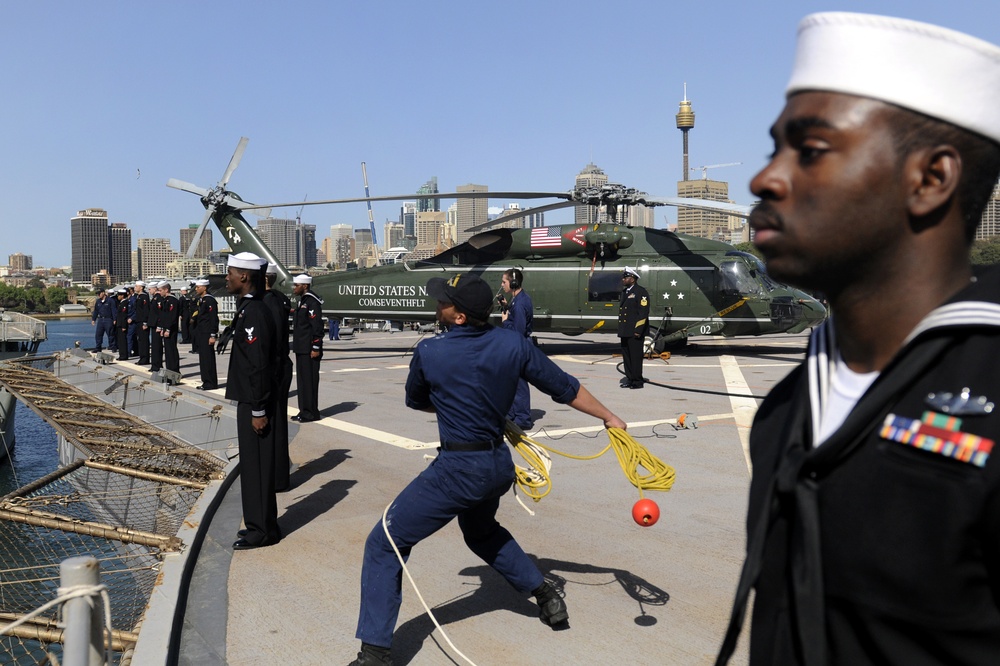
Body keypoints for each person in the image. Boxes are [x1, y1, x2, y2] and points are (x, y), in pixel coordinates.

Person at [716, 13, 1000, 666]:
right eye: (774, 149)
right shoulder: (787, 409)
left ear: (930, 179)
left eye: (811, 150)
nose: (765, 179)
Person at [350, 273, 627, 666]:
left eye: (444, 301)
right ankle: (545, 595)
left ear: (459, 316)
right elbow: (564, 387)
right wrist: (610, 416)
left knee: (384, 542)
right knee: (480, 532)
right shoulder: (514, 344)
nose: (437, 305)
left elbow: (417, 401)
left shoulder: (430, 351)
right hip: (498, 465)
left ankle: (375, 654)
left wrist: (454, 400)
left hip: (458, 469)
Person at [225, 252, 280, 550]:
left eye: (230, 273)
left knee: (257, 466)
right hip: (249, 399)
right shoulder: (249, 308)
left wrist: (258, 409)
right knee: (251, 465)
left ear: (244, 276)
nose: (227, 278)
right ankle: (258, 523)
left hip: (255, 401)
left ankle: (264, 531)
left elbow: (258, 363)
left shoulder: (255, 312)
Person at [263, 263, 293, 491]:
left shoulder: (268, 301)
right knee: (277, 423)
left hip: (273, 368)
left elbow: (271, 339)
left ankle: (276, 478)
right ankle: (276, 477)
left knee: (274, 425)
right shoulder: (279, 299)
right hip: (279, 366)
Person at [499, 267, 534, 429]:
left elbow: (518, 331)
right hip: (519, 345)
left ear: (513, 283)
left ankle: (523, 418)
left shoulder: (519, 304)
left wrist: (506, 321)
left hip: (519, 346)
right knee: (512, 381)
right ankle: (513, 413)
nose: (502, 285)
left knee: (519, 382)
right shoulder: (519, 299)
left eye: (504, 282)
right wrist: (507, 307)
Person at [291, 274, 323, 422]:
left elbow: (316, 326)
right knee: (302, 382)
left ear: (305, 286)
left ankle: (311, 413)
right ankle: (304, 410)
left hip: (309, 348)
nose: (294, 288)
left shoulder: (312, 302)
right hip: (301, 347)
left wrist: (316, 347)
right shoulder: (302, 301)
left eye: (297, 285)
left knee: (309, 382)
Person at [617, 267, 649, 389]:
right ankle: (630, 379)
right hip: (625, 331)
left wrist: (638, 330)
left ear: (633, 279)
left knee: (635, 358)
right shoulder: (625, 292)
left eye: (626, 277)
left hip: (635, 331)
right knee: (627, 357)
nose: (623, 279)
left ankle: (637, 381)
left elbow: (643, 312)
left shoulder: (641, 292)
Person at [192, 278, 219, 391]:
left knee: (208, 358)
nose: (196, 289)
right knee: (203, 358)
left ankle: (210, 382)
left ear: (204, 288)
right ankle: (206, 381)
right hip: (201, 332)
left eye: (198, 287)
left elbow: (213, 318)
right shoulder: (202, 300)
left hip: (207, 332)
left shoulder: (210, 300)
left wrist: (213, 334)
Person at [158, 282, 181, 374]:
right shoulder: (166, 300)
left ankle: (174, 371)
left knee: (171, 350)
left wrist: (168, 329)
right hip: (166, 328)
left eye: (160, 290)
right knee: (168, 351)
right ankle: (169, 370)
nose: (159, 292)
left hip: (171, 329)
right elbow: (164, 316)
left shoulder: (172, 300)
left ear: (166, 290)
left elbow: (172, 317)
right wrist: (162, 328)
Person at [91, 288, 116, 352]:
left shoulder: (110, 300)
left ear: (103, 293)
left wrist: (114, 319)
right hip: (100, 319)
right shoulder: (98, 301)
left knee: (110, 334)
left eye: (99, 293)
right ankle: (98, 348)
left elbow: (113, 310)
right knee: (98, 334)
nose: (98, 295)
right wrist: (93, 319)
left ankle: (113, 347)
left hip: (108, 319)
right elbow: (96, 311)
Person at [134, 281, 150, 365]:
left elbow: (146, 310)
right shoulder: (138, 296)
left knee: (144, 341)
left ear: (141, 287)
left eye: (137, 286)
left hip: (142, 321)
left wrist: (145, 322)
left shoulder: (144, 297)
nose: (135, 287)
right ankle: (142, 357)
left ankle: (145, 358)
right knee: (140, 340)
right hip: (138, 320)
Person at [148, 282, 164, 372]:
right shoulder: (154, 298)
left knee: (157, 346)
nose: (149, 291)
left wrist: (159, 325)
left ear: (155, 289)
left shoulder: (158, 298)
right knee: (154, 346)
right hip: (153, 325)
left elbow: (160, 313)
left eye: (150, 289)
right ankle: (154, 365)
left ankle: (157, 365)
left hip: (157, 325)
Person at [114, 289, 130, 361]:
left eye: (119, 295)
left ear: (122, 296)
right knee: (120, 341)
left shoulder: (124, 303)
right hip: (119, 324)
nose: (118, 297)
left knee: (122, 341)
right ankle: (121, 354)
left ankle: (124, 355)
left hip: (122, 325)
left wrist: (124, 326)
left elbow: (124, 315)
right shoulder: (121, 303)